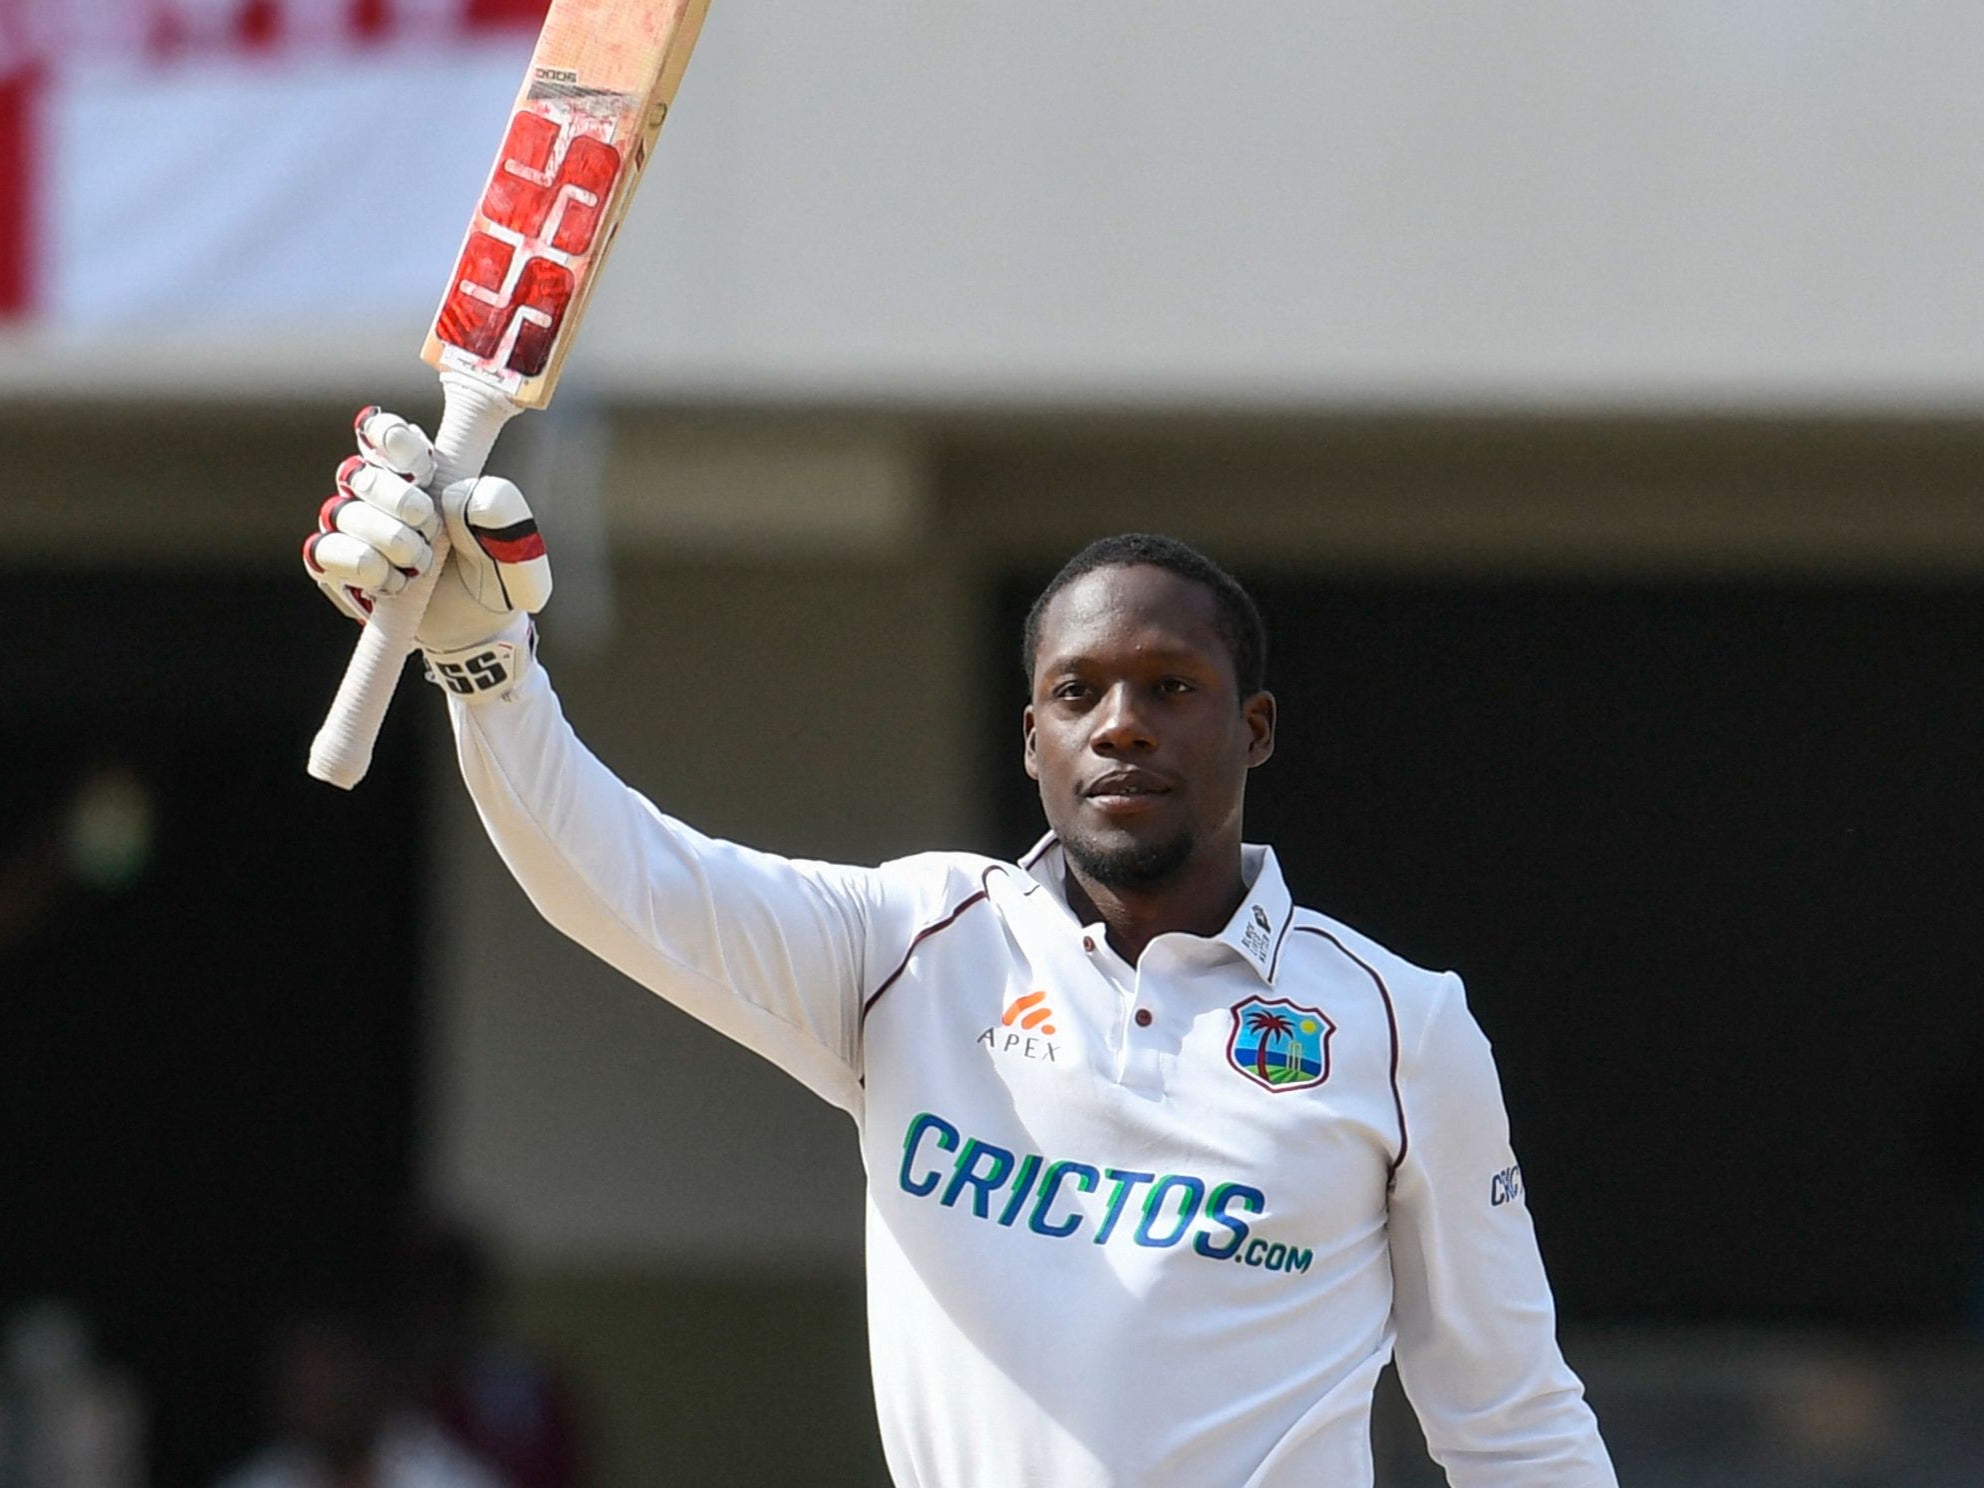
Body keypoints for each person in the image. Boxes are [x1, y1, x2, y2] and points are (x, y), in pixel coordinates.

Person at [304, 410, 1617, 1487]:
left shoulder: (1400, 1027)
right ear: (1031, 739)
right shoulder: (915, 947)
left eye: (1172, 689)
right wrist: (483, 663)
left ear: (1256, 729)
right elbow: (622, 883)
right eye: (1077, 693)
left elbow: (1509, 1423)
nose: (1121, 727)